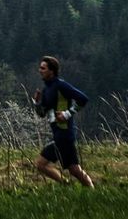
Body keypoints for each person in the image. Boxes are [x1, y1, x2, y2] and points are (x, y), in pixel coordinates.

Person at [32, 55, 94, 187]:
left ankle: (73, 187)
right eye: (40, 67)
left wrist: (67, 114)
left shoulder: (61, 85)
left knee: (43, 164)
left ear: (51, 71)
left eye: (43, 68)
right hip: (59, 135)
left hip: (64, 134)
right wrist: (37, 102)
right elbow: (42, 114)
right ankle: (78, 188)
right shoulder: (46, 89)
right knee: (72, 169)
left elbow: (83, 99)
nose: (40, 70)